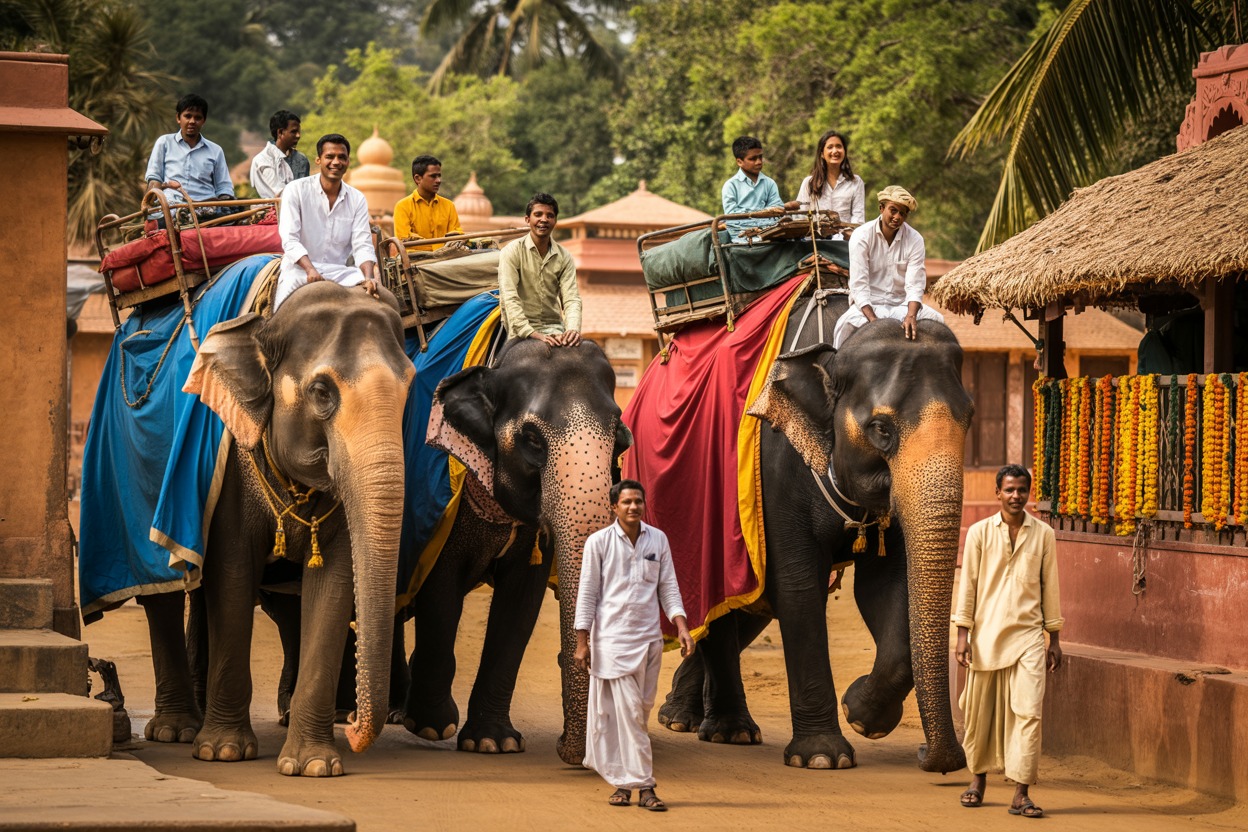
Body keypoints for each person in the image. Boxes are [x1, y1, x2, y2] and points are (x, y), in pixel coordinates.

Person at [574, 480, 694, 812]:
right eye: (626, 502)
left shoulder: (658, 539)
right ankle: (646, 786)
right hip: (612, 641)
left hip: (649, 641)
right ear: (614, 507)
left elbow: (668, 587)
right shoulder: (598, 543)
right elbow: (587, 593)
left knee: (638, 714)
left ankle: (622, 785)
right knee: (627, 714)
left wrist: (682, 627)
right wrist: (582, 642)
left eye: (638, 501)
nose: (633, 507)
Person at [954, 464, 1063, 819]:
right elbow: (968, 585)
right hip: (986, 637)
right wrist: (963, 635)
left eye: (1022, 490)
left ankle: (1021, 793)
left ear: (1029, 493)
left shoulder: (1044, 534)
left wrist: (1054, 638)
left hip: (1029, 637)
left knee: (1029, 713)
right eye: (1010, 490)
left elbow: (1050, 586)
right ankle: (977, 781)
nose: (1016, 496)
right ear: (998, 492)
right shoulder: (979, 533)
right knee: (980, 714)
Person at [273, 134, 379, 311]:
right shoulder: (296, 190)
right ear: (318, 160)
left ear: (348, 162)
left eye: (341, 157)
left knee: (375, 303)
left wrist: (369, 277)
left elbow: (362, 244)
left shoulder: (357, 198)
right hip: (299, 272)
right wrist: (310, 270)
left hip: (340, 274)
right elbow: (290, 240)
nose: (336, 162)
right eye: (330, 156)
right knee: (281, 314)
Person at [831, 185, 944, 348]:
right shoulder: (861, 235)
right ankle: (837, 364)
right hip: (869, 306)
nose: (897, 217)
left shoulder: (915, 239)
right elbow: (859, 285)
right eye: (893, 210)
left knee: (938, 321)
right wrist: (874, 322)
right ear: (881, 208)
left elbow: (915, 284)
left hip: (902, 306)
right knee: (844, 327)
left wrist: (911, 316)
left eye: (903, 213)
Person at [496, 193, 581, 346]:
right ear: (527, 219)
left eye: (550, 215)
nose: (544, 219)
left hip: (555, 329)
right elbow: (509, 296)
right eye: (538, 214)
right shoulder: (511, 251)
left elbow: (571, 298)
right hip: (521, 331)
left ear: (555, 221)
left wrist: (572, 329)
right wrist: (531, 333)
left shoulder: (565, 256)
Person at [144, 93, 234, 207]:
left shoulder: (216, 150)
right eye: (187, 116)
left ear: (204, 121)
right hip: (172, 207)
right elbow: (154, 178)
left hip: (207, 208)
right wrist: (149, 204)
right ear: (178, 118)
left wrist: (226, 200)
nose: (192, 121)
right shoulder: (164, 142)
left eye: (198, 118)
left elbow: (224, 187)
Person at [721, 136, 799, 241]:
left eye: (760, 157)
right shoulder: (731, 186)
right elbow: (733, 219)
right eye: (753, 159)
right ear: (739, 162)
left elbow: (777, 211)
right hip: (743, 240)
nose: (759, 162)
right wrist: (764, 216)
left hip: (771, 237)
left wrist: (765, 221)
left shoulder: (769, 183)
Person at [392, 155, 464, 251]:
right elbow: (404, 239)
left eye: (439, 176)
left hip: (446, 257)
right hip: (415, 259)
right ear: (418, 178)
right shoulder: (403, 206)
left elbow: (456, 236)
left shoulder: (449, 205)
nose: (438, 180)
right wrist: (439, 247)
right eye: (433, 176)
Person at [795, 130, 865, 227]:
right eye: (830, 147)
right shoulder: (809, 183)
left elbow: (858, 218)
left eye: (839, 146)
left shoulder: (855, 182)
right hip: (816, 236)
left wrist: (848, 232)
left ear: (844, 151)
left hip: (847, 236)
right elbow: (801, 216)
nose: (835, 151)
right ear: (822, 154)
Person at [249, 109, 310, 198]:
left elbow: (306, 191)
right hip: (272, 206)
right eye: (293, 131)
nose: (298, 135)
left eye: (299, 132)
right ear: (280, 132)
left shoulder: (301, 159)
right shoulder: (263, 160)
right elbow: (280, 192)